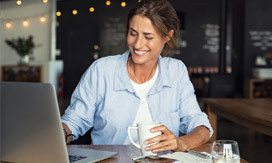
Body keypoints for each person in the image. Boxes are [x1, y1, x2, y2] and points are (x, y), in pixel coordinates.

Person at [62, 0, 213, 153]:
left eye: (148, 36)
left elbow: (201, 127)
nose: (138, 44)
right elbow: (74, 120)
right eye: (133, 33)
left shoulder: (175, 71)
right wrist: (60, 133)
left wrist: (181, 143)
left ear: (167, 36)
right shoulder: (102, 70)